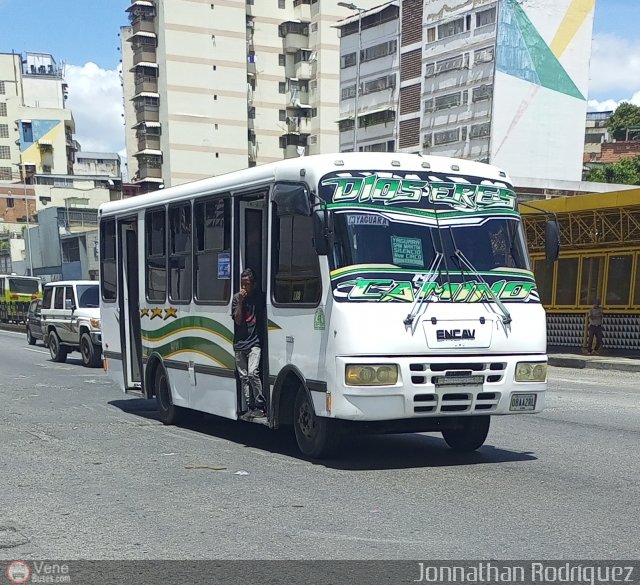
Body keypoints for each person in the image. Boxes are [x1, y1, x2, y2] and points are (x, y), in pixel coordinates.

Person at [232, 268, 266, 418]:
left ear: (253, 284)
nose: (244, 288)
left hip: (254, 343)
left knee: (253, 373)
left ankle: (260, 404)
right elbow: (238, 320)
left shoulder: (259, 298)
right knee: (244, 377)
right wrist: (240, 302)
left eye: (247, 284)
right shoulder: (236, 299)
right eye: (242, 284)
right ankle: (249, 406)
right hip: (240, 344)